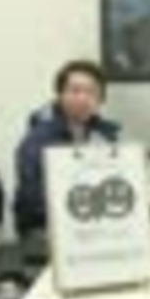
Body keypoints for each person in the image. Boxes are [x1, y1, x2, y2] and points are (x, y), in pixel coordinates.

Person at [13, 61, 121, 239]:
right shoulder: (37, 140)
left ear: (100, 99)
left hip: (89, 218)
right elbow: (32, 198)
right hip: (44, 226)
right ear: (60, 95)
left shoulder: (102, 135)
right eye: (75, 91)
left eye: (91, 92)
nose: (83, 98)